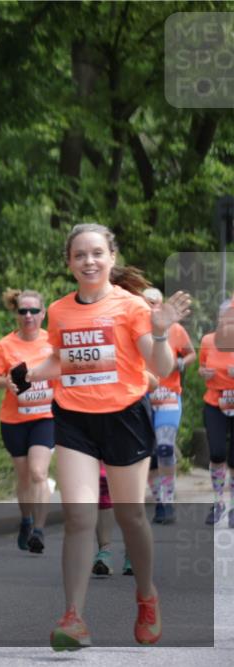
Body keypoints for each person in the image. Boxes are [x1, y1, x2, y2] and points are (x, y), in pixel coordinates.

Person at [25, 223, 190, 651]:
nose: (89, 261)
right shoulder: (60, 311)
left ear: (112, 258)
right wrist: (27, 374)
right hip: (74, 417)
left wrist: (158, 331)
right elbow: (63, 361)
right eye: (79, 255)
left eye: (97, 253)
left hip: (124, 416)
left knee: (129, 515)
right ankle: (74, 616)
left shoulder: (132, 307)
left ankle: (147, 596)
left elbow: (164, 366)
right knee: (80, 515)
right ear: (69, 263)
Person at [0, 289, 55, 554]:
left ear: (43, 313)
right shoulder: (5, 345)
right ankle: (26, 520)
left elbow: (64, 371)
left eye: (34, 311)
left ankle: (38, 530)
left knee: (39, 472)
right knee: (24, 476)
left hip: (45, 417)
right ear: (16, 314)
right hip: (14, 419)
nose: (29, 316)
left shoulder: (52, 343)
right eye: (23, 311)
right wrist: (5, 382)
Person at [141, 288, 194, 524]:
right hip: (142, 400)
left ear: (161, 305)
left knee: (164, 446)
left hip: (169, 397)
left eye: (155, 303)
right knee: (149, 454)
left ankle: (167, 500)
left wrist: (179, 363)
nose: (151, 307)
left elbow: (191, 354)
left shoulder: (176, 329)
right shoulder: (133, 329)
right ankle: (160, 498)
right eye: (146, 303)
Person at [197, 300, 234, 527]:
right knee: (218, 453)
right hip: (214, 402)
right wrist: (204, 373)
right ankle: (218, 501)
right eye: (223, 318)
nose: (226, 321)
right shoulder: (208, 340)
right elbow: (202, 366)